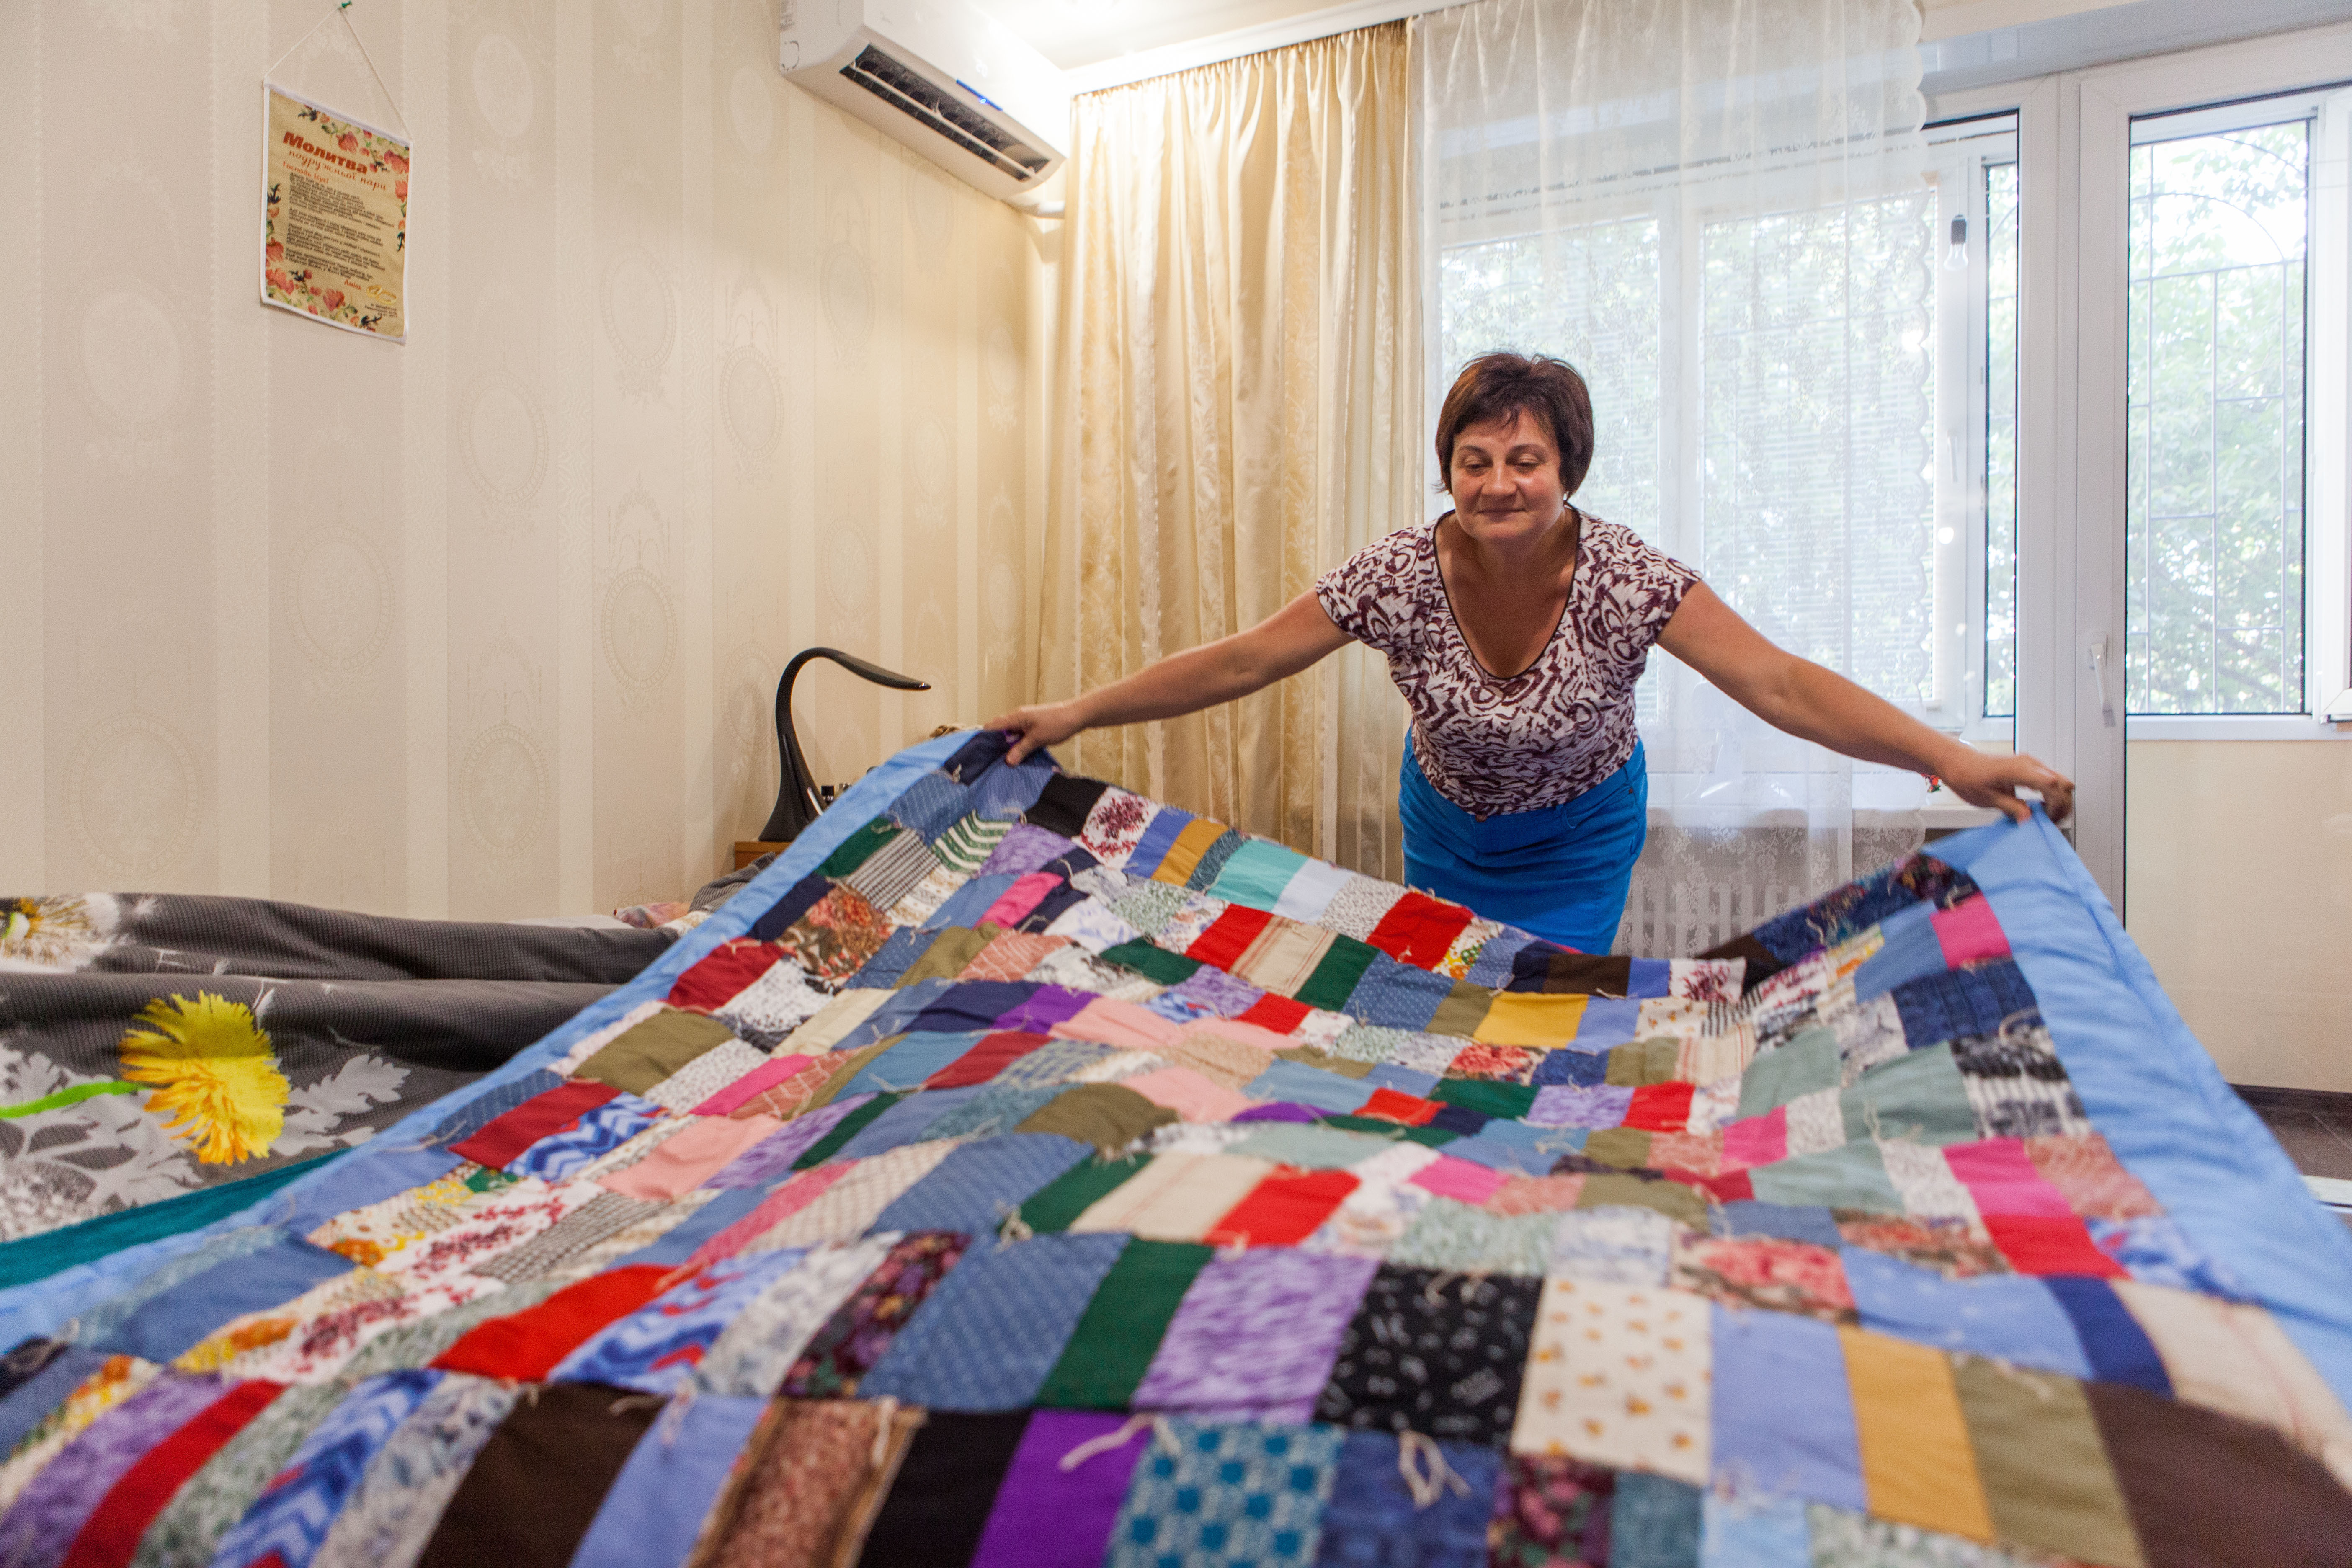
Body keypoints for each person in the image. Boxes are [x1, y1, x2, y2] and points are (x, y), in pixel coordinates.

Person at [987, 353, 2075, 954]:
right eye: (1474, 460)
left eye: (1525, 458)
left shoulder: (1626, 579)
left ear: (1568, 468)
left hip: (1581, 839)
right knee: (1452, 1000)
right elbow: (1242, 662)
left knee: (1548, 1003)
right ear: (1448, 470)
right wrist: (1078, 713)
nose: (1498, 482)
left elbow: (1779, 683)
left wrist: (1952, 757)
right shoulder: (1400, 575)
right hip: (1448, 834)